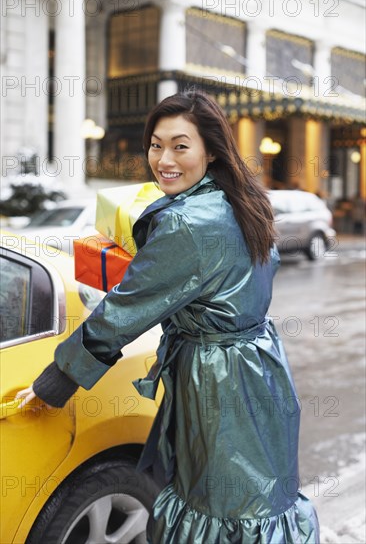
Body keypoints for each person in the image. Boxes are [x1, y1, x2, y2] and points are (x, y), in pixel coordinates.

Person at [16, 91, 319, 543]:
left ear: (211, 150)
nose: (163, 159)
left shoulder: (187, 222)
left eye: (180, 145)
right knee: (261, 504)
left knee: (217, 510)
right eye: (156, 145)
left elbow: (122, 312)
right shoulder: (240, 201)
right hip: (262, 371)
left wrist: (57, 379)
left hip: (217, 383)